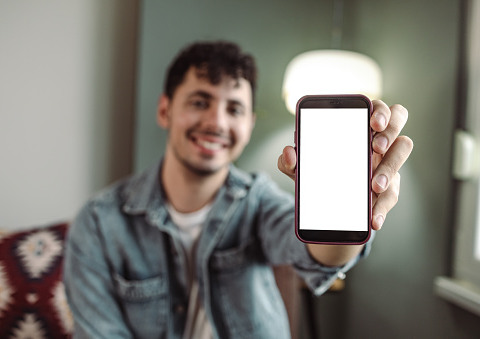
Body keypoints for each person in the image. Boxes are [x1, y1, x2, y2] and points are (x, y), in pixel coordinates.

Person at [63, 41, 413, 339]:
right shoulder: (98, 223)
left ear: (248, 125)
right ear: (165, 109)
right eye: (200, 102)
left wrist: (355, 205)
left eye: (234, 108)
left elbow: (318, 257)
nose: (217, 122)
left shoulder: (259, 201)